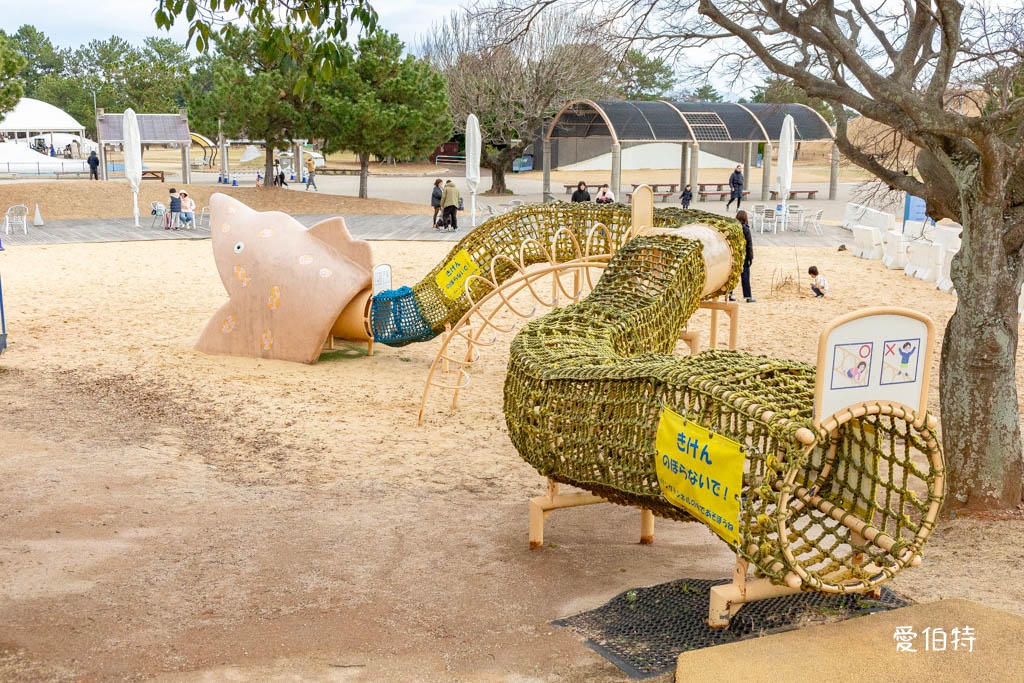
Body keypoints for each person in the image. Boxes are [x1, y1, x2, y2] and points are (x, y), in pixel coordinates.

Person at [728, 210, 756, 303]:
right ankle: (748, 296)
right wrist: (750, 258)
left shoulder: (733, 228)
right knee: (745, 276)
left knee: (732, 275)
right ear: (745, 218)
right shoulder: (746, 229)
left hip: (733, 255)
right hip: (743, 256)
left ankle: (729, 294)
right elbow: (749, 245)